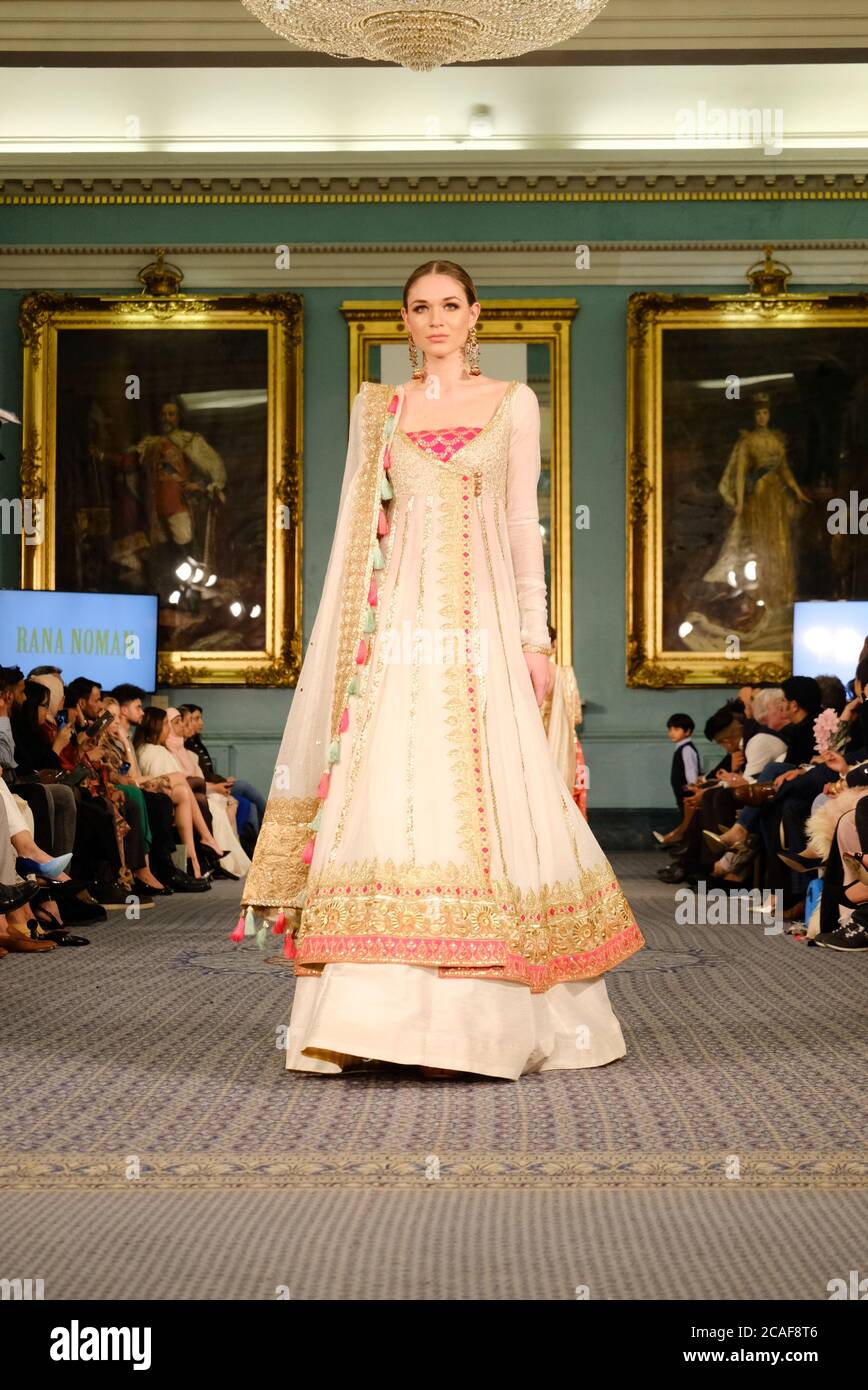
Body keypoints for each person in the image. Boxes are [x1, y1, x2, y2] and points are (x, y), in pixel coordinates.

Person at [238, 259, 644, 1081]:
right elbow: (358, 532)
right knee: (390, 789)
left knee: (490, 797)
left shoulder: (513, 402)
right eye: (420, 308)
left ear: (474, 315)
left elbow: (524, 523)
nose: (435, 320)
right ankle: (375, 1020)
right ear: (404, 321)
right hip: (396, 636)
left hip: (486, 627)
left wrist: (536, 640)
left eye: (450, 305)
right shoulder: (376, 411)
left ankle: (483, 1025)